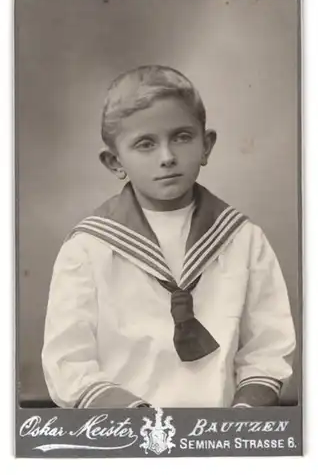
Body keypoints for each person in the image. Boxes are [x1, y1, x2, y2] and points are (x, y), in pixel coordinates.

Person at [42, 65, 296, 409]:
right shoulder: (88, 248)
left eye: (182, 137)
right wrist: (143, 425)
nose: (167, 157)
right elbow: (68, 363)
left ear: (206, 146)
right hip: (124, 438)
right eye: (145, 144)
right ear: (115, 163)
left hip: (220, 437)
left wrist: (241, 419)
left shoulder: (243, 239)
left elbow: (267, 349)